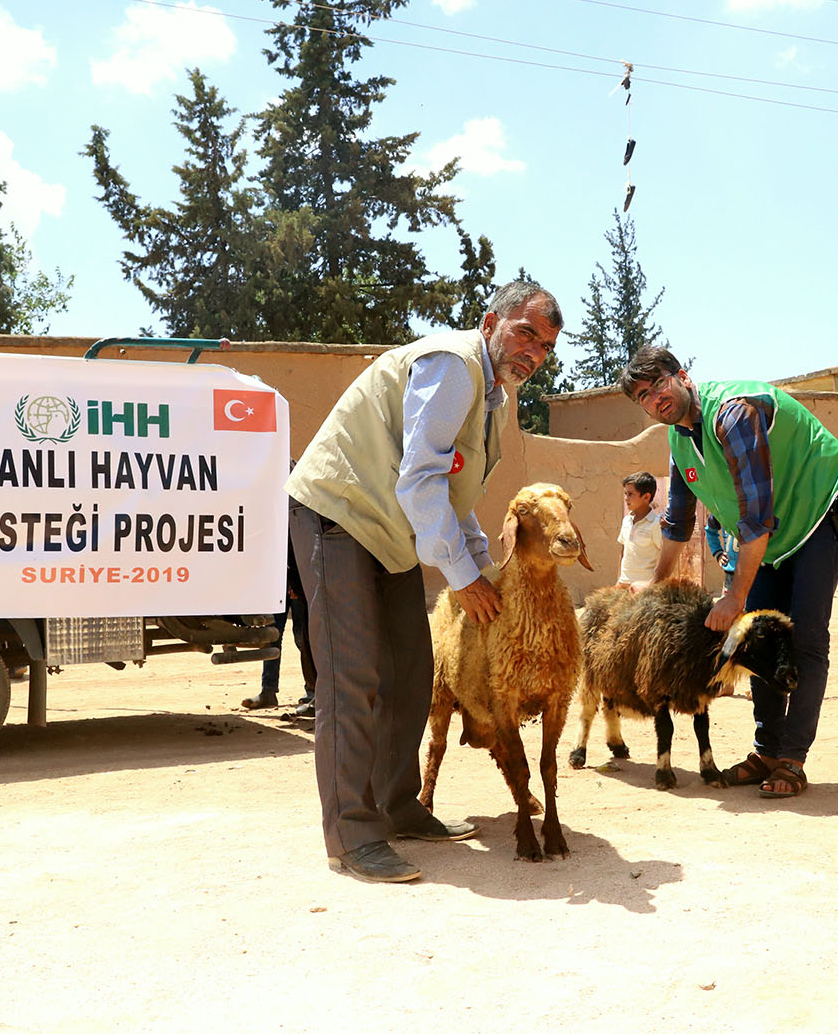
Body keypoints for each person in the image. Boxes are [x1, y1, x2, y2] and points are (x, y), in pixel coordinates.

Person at [286, 279, 563, 883]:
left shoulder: (495, 401)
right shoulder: (453, 368)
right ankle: (354, 836)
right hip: (339, 514)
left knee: (412, 670)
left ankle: (398, 806)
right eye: (526, 333)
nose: (534, 353)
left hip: (390, 530)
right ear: (491, 322)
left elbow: (455, 493)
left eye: (545, 347)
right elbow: (420, 480)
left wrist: (483, 564)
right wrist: (463, 578)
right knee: (352, 675)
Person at [619, 345, 838, 799]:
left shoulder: (732, 414)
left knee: (805, 638)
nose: (655, 400)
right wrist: (656, 583)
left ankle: (791, 758)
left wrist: (734, 594)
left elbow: (756, 516)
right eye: (644, 397)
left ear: (683, 376)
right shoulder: (677, 438)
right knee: (758, 639)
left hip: (818, 513)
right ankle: (766, 750)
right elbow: (678, 520)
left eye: (659, 385)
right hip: (772, 535)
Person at [240, 521, 316, 712]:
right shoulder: (274, 508)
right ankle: (268, 691)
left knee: (303, 637)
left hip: (299, 578)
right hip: (279, 580)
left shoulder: (295, 507)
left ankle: (313, 690)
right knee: (272, 635)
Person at [616, 470, 663, 590]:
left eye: (630, 494)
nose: (626, 498)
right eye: (625, 493)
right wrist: (619, 580)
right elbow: (623, 552)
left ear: (646, 497)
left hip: (644, 589)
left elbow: (663, 557)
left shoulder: (656, 524)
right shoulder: (626, 521)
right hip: (624, 585)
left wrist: (654, 585)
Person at [704, 512, 739, 595]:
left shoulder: (753, 505)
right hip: (731, 574)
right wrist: (718, 553)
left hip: (756, 572)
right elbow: (710, 532)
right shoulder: (720, 507)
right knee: (728, 605)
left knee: (753, 607)